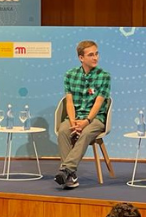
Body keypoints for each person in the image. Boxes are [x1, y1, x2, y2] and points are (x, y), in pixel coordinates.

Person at [55, 40, 111, 189]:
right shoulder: (70, 75)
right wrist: (73, 122)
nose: (95, 57)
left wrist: (86, 121)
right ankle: (70, 176)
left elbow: (99, 103)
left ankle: (66, 169)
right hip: (75, 118)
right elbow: (69, 102)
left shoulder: (104, 76)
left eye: (97, 54)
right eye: (91, 55)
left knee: (85, 133)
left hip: (95, 119)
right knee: (63, 131)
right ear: (81, 58)